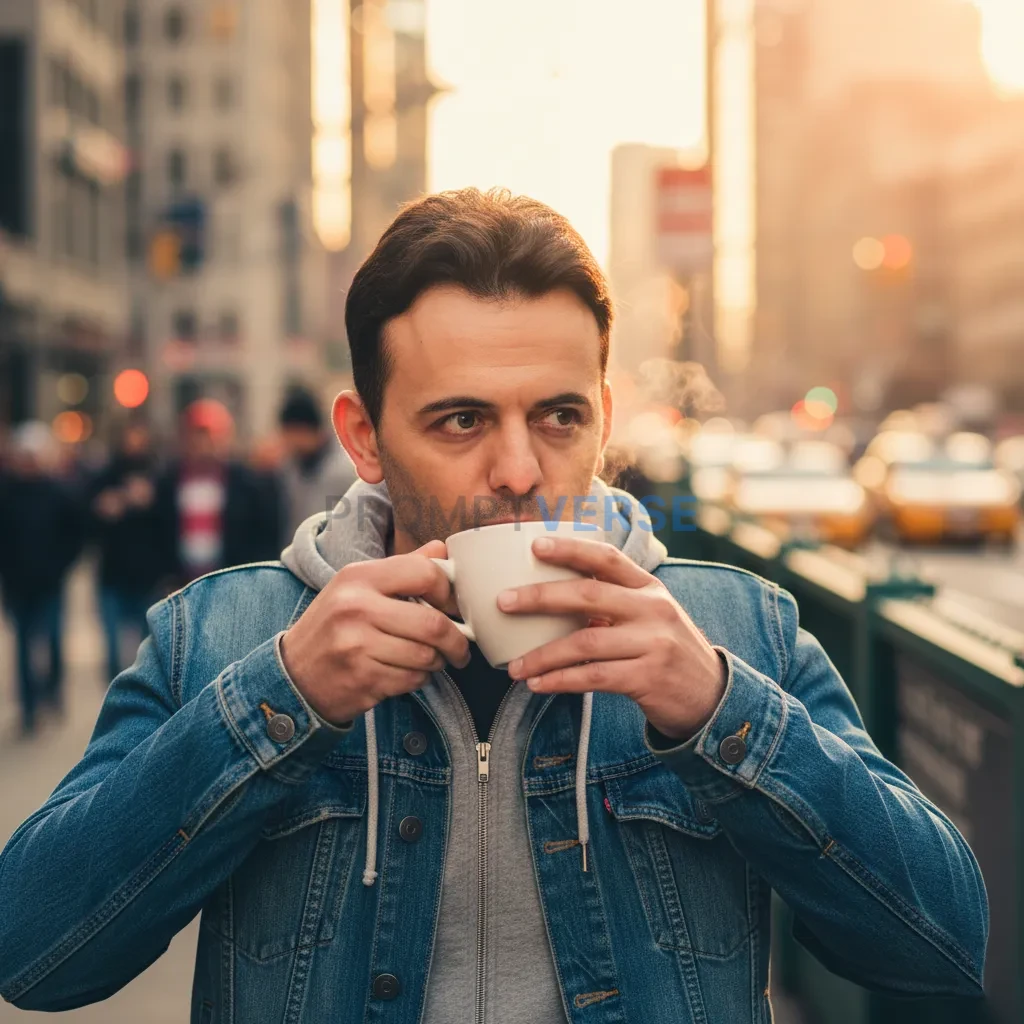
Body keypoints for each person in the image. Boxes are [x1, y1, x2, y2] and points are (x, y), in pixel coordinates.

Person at [0, 190, 986, 1021]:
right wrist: (281, 699)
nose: (519, 469)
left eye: (559, 416)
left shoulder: (735, 631)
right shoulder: (222, 636)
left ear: (603, 417)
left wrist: (721, 709)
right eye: (462, 419)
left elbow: (942, 945)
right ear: (364, 437)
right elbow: (35, 951)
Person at [0, 422, 84, 735]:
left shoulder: (58, 492)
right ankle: (28, 707)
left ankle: (53, 691)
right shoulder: (7, 494)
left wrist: (62, 565)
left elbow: (75, 533)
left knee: (52, 639)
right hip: (18, 583)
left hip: (50, 582)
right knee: (23, 645)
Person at [152, 399, 280, 590]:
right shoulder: (169, 481)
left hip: (232, 580)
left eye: (210, 437)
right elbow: (158, 529)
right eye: (197, 436)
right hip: (182, 582)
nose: (203, 444)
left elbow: (263, 533)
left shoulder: (246, 482)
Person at [87, 418, 164, 681]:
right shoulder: (105, 475)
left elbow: (168, 522)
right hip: (112, 572)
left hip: (147, 574)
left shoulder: (158, 475)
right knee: (112, 647)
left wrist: (150, 503)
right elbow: (86, 519)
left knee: (147, 647)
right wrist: (105, 507)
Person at [277, 387, 357, 540]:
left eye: (296, 432)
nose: (292, 441)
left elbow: (358, 525)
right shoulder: (291, 467)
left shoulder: (344, 470)